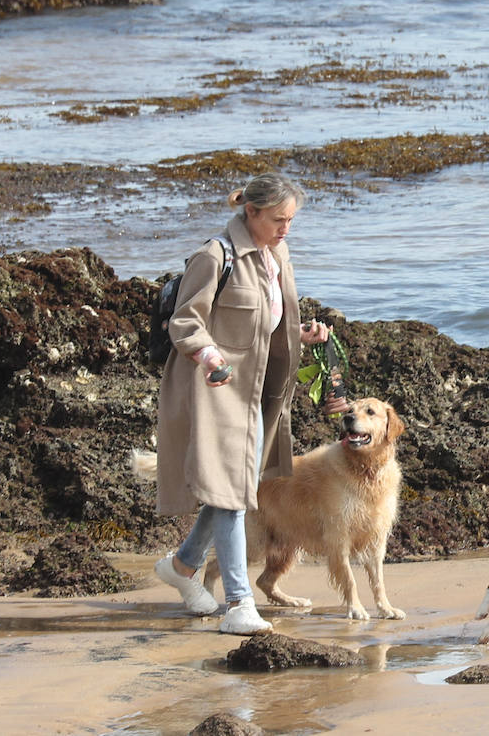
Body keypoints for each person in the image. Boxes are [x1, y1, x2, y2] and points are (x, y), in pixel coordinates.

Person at [152, 172, 333, 635]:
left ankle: (184, 565)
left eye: (291, 220)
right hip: (213, 389)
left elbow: (270, 321)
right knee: (234, 496)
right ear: (250, 212)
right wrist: (209, 354)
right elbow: (184, 322)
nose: (286, 229)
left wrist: (301, 334)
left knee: (236, 488)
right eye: (278, 219)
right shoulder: (216, 256)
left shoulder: (278, 254)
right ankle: (238, 603)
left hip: (260, 391)